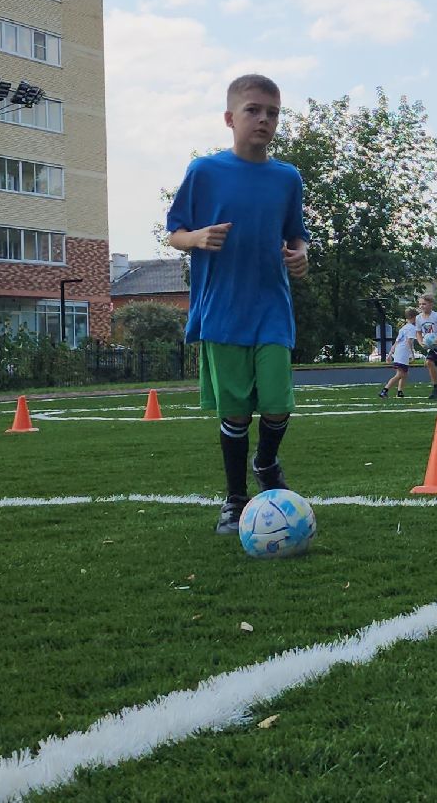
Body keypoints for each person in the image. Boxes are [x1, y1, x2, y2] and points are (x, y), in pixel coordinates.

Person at [165, 73, 310, 536]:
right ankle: (234, 500)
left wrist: (301, 252)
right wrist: (196, 238)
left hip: (271, 305)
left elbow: (296, 233)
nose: (264, 119)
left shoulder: (288, 177)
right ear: (230, 118)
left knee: (277, 404)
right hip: (223, 310)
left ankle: (265, 462)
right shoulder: (204, 172)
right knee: (236, 413)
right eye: (253, 110)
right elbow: (175, 232)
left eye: (273, 112)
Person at [380, 308, 419, 398]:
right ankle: (385, 390)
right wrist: (412, 355)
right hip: (403, 353)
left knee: (404, 373)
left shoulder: (403, 328)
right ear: (414, 317)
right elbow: (409, 342)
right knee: (400, 374)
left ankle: (400, 391)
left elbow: (396, 342)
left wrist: (390, 354)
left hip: (398, 352)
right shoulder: (412, 328)